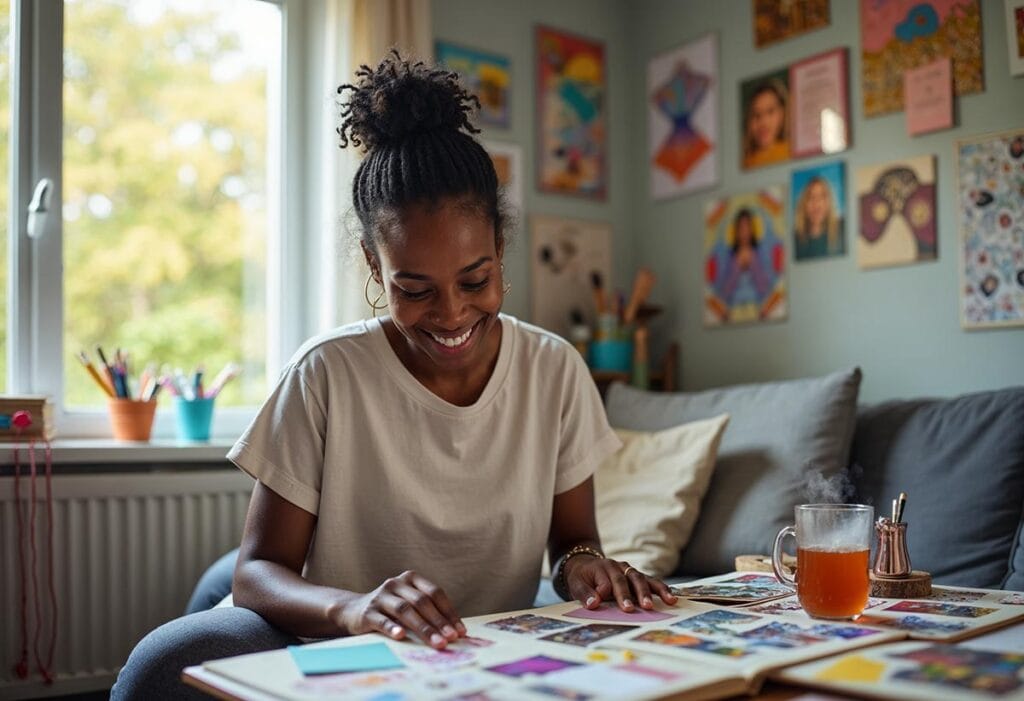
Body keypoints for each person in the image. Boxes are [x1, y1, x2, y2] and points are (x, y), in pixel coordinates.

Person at [111, 51, 676, 700]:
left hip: (487, 660)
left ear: (500, 249)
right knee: (167, 659)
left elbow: (575, 542)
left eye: (475, 279)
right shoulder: (325, 373)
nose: (453, 313)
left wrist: (586, 570)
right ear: (374, 270)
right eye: (414, 289)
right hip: (346, 652)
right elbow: (260, 572)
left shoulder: (555, 370)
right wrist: (354, 608)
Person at [742, 79, 789, 169]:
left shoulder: (789, 152)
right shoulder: (747, 162)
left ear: (782, 113)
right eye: (756, 115)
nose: (763, 122)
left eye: (770, 111)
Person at [794, 175, 843, 259]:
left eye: (822, 196)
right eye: (811, 197)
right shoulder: (795, 240)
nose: (816, 203)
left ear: (828, 203)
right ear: (803, 204)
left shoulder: (843, 228)